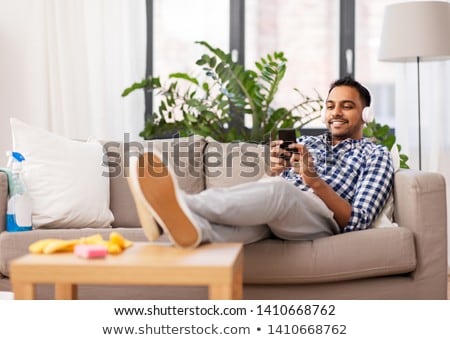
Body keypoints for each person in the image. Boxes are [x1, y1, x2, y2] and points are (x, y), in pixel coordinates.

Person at [128, 76, 394, 248]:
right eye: (330, 105)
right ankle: (178, 226)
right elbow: (275, 187)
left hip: (322, 221)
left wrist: (314, 181)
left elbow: (357, 221)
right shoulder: (308, 144)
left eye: (346, 106)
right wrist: (275, 171)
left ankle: (180, 202)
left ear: (365, 114)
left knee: (280, 191)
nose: (335, 112)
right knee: (228, 234)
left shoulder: (375, 155)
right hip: (281, 214)